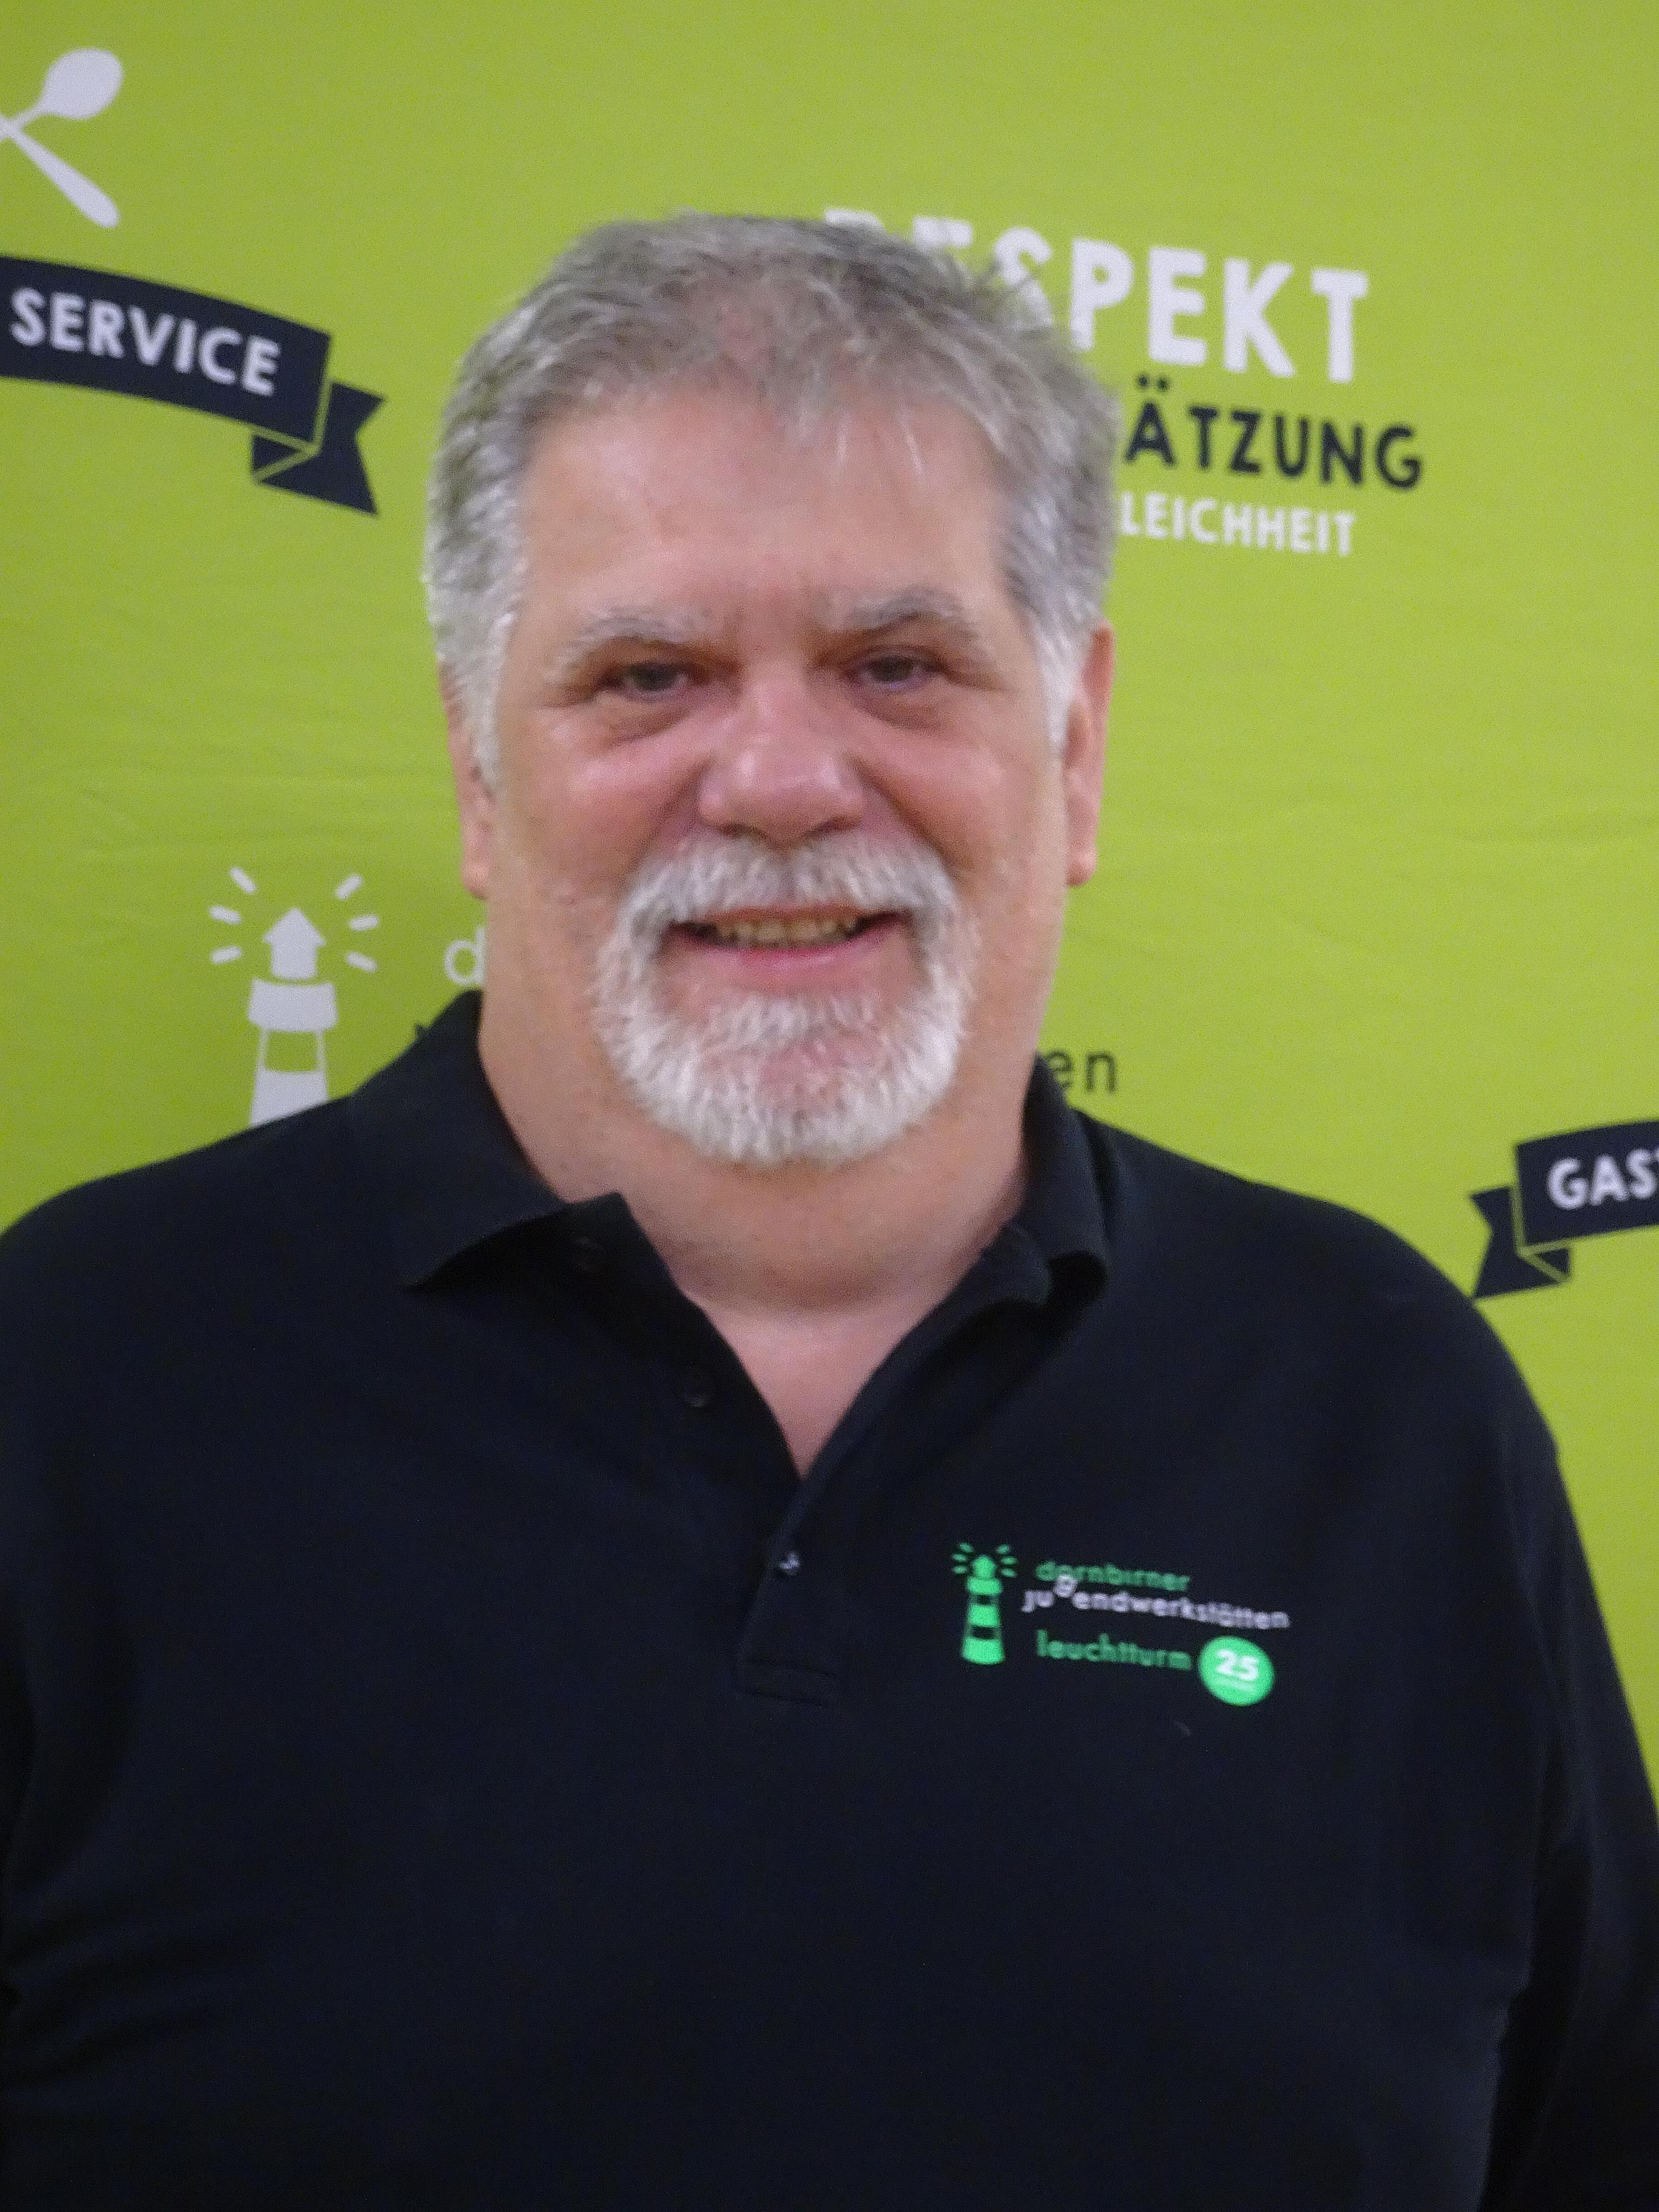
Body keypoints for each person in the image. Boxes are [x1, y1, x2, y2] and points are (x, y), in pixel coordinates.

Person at [0, 215, 1654, 2210]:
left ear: (1076, 747)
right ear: (475, 768)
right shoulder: (68, 1377)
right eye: (648, 676)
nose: (780, 781)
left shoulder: (1387, 1404)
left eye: (897, 666)